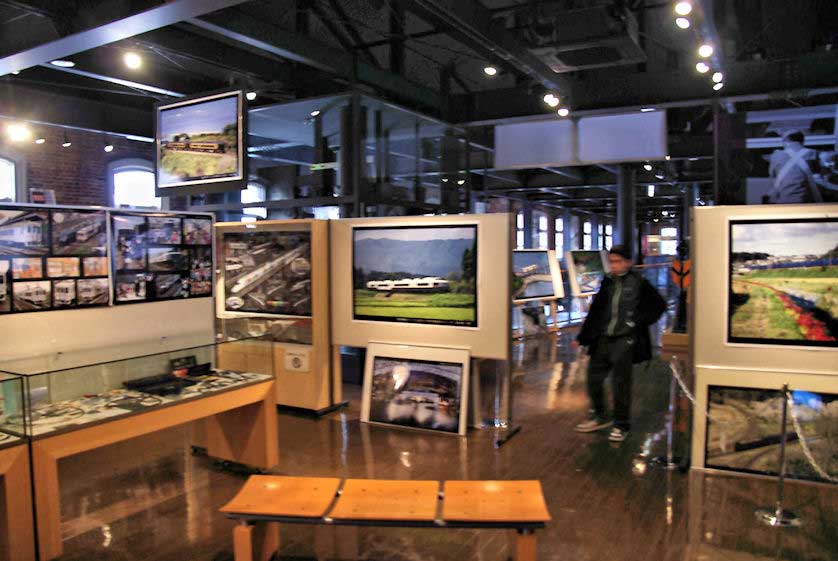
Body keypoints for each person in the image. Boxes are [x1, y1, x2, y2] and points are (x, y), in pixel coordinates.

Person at [573, 245, 667, 442]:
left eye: (617, 261)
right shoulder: (608, 282)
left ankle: (621, 424)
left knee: (620, 384)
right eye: (611, 261)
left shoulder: (639, 283)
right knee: (593, 379)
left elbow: (659, 305)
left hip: (624, 340)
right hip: (603, 339)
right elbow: (596, 312)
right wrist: (583, 337)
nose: (613, 265)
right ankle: (600, 416)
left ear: (628, 262)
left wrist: (636, 322)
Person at [765, 130, 822, 204]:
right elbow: (818, 176)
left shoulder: (776, 156)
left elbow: (772, 175)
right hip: (806, 201)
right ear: (802, 141)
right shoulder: (814, 153)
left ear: (786, 141)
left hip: (783, 199)